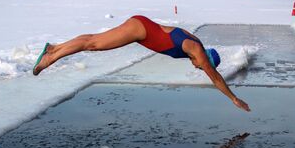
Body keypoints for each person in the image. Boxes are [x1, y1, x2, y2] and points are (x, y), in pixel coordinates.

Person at [33, 15, 250, 111]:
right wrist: (233, 98)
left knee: (93, 42)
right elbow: (215, 77)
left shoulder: (195, 44)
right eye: (202, 66)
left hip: (142, 27)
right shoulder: (196, 50)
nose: (198, 68)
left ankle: (55, 48)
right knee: (93, 43)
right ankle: (51, 55)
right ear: (206, 61)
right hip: (139, 30)